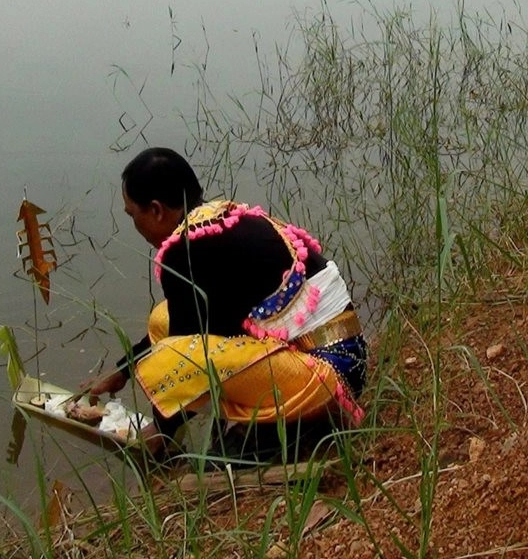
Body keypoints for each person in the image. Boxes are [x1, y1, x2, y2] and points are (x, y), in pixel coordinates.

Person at [74, 147, 367, 453]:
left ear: (157, 210)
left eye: (133, 214)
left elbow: (184, 357)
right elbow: (195, 325)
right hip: (348, 363)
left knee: (172, 354)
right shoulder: (220, 222)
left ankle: (309, 420)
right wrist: (121, 372)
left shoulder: (183, 251)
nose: (135, 226)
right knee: (162, 320)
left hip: (325, 380)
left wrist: (159, 431)